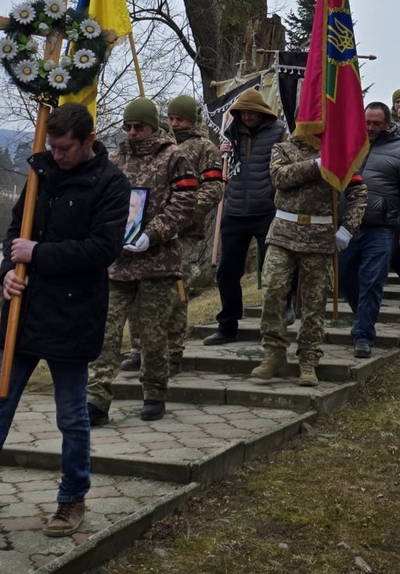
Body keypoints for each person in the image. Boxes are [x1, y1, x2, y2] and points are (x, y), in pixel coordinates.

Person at [0, 102, 127, 542]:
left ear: (89, 140)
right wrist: (8, 273)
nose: (57, 155)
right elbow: (17, 234)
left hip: (74, 315)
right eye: (51, 146)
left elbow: (102, 249)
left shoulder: (112, 183)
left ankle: (72, 499)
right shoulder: (40, 173)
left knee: (72, 416)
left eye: (65, 147)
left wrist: (39, 256)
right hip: (24, 311)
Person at [88, 98, 200, 425]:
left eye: (139, 126)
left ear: (154, 125)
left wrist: (154, 233)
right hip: (117, 263)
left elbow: (185, 201)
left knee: (152, 336)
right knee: (106, 332)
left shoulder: (174, 158)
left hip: (158, 263)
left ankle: (154, 391)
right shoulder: (113, 159)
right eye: (128, 127)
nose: (133, 132)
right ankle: (96, 397)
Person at [251, 129, 366, 386]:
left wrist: (348, 228)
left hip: (320, 236)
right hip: (283, 233)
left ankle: (309, 359)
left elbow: (359, 192)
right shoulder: (283, 148)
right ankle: (274, 353)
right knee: (272, 292)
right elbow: (280, 177)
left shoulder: (339, 154)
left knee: (315, 302)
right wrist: (317, 165)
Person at [346, 103, 400, 358]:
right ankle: (363, 317)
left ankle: (363, 335)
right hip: (347, 226)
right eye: (367, 122)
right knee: (344, 276)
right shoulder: (350, 144)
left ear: (388, 124)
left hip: (381, 228)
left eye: (377, 123)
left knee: (372, 281)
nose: (371, 128)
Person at [209, 88, 282, 345]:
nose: (248, 116)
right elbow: (217, 170)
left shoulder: (279, 131)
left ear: (262, 112)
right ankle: (227, 325)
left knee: (273, 270)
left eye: (253, 112)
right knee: (227, 271)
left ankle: (276, 323)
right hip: (234, 211)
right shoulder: (229, 133)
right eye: (244, 112)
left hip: (267, 210)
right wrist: (221, 154)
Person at [162, 94, 224, 374]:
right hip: (153, 231)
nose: (175, 124)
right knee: (146, 293)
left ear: (192, 120)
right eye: (171, 118)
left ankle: (173, 351)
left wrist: (183, 211)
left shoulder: (204, 148)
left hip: (184, 233)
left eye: (180, 119)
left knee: (177, 292)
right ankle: (143, 349)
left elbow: (213, 189)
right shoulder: (160, 144)